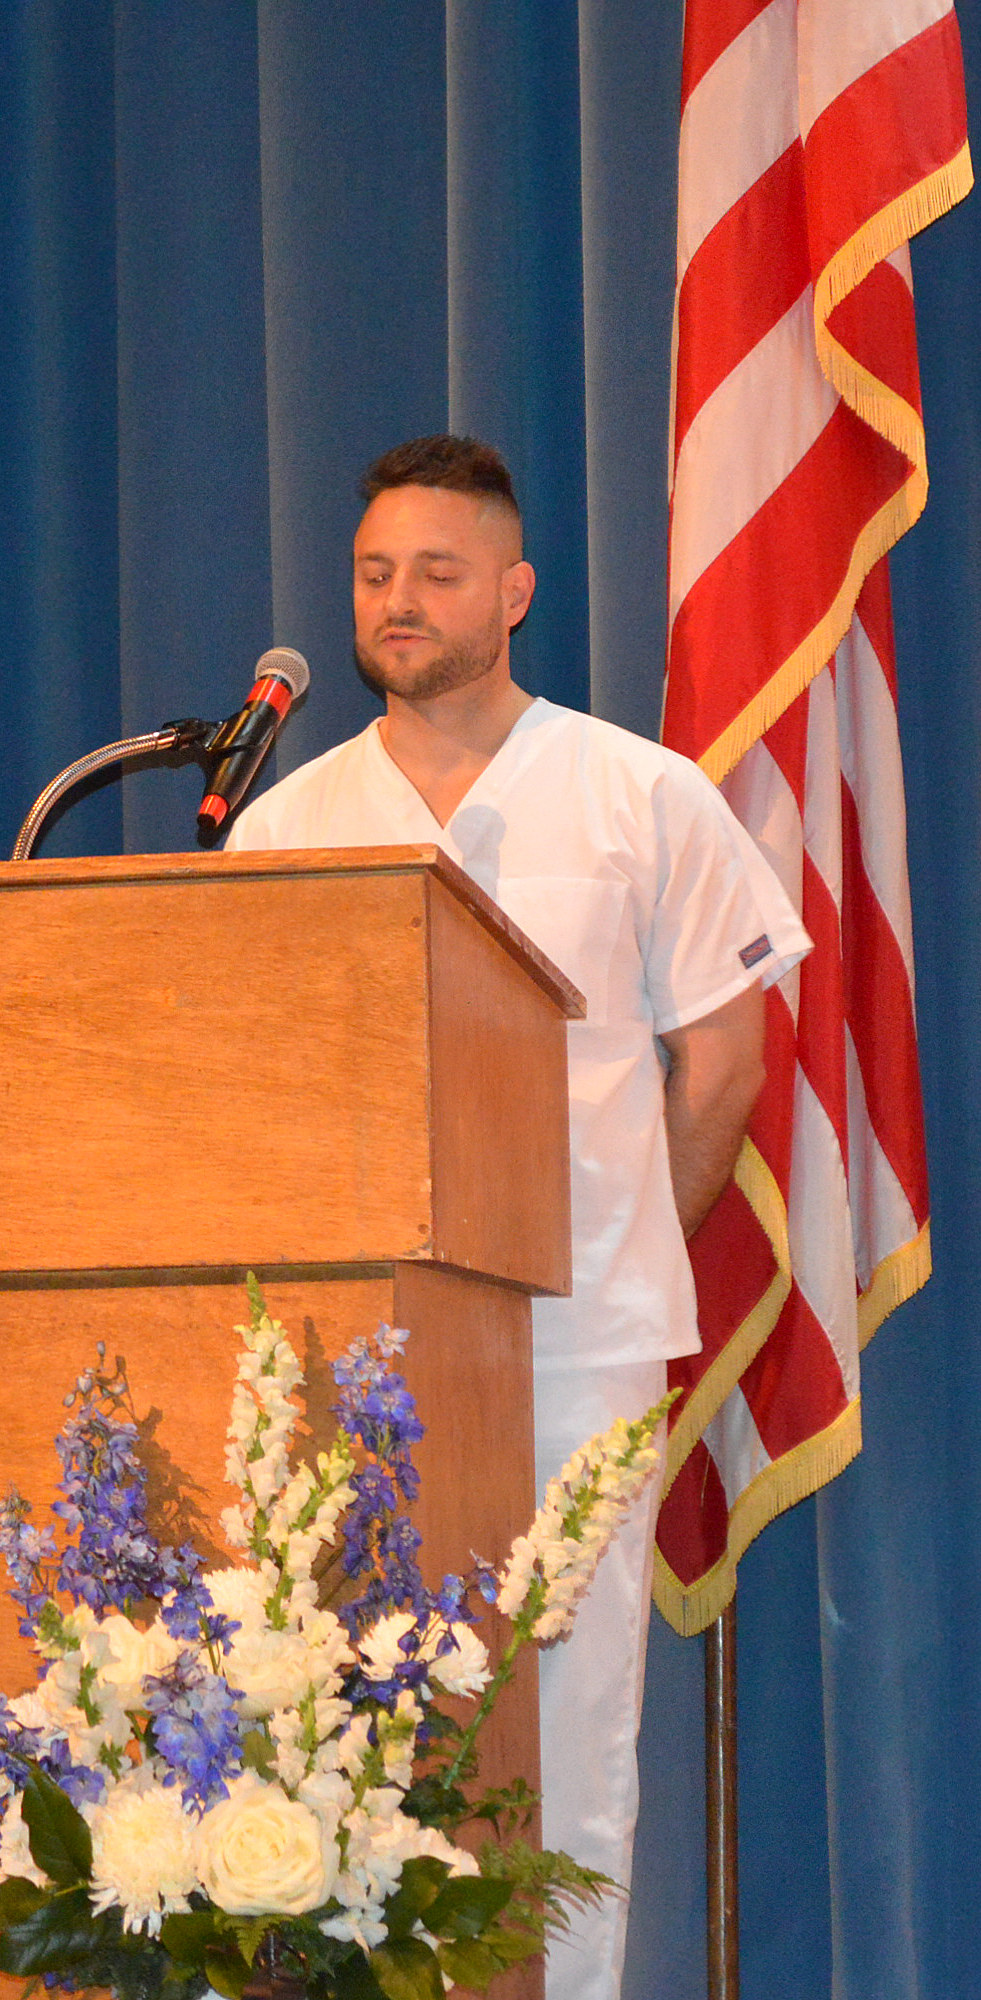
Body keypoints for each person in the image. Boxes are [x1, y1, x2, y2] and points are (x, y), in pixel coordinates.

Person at [223, 436, 808, 2000]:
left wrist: (624, 1241)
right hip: (356, 1358)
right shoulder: (283, 826)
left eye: (435, 571)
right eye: (372, 574)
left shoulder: (640, 794)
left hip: (581, 1341)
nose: (398, 602)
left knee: (570, 1726)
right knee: (344, 1716)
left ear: (515, 591)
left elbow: (728, 1059)